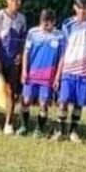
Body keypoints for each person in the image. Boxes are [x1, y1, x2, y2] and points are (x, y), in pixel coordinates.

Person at [53, 0, 86, 142]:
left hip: (85, 70)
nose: (82, 11)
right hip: (68, 68)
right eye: (79, 7)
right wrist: (57, 74)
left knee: (79, 103)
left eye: (85, 8)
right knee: (63, 101)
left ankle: (73, 131)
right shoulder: (67, 24)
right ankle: (60, 131)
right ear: (74, 7)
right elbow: (63, 49)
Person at [20, 9, 65, 137]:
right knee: (26, 100)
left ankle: (39, 129)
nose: (44, 25)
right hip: (32, 74)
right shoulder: (33, 32)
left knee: (43, 103)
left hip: (48, 77)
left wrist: (57, 77)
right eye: (42, 22)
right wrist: (24, 70)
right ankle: (23, 126)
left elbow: (62, 58)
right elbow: (26, 53)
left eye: (48, 23)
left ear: (53, 22)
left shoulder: (59, 36)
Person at [0, 0, 27, 134]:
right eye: (12, 0)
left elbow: (22, 40)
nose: (15, 3)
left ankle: (8, 124)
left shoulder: (22, 19)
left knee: (11, 91)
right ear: (7, 0)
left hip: (13, 61)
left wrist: (20, 54)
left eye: (18, 0)